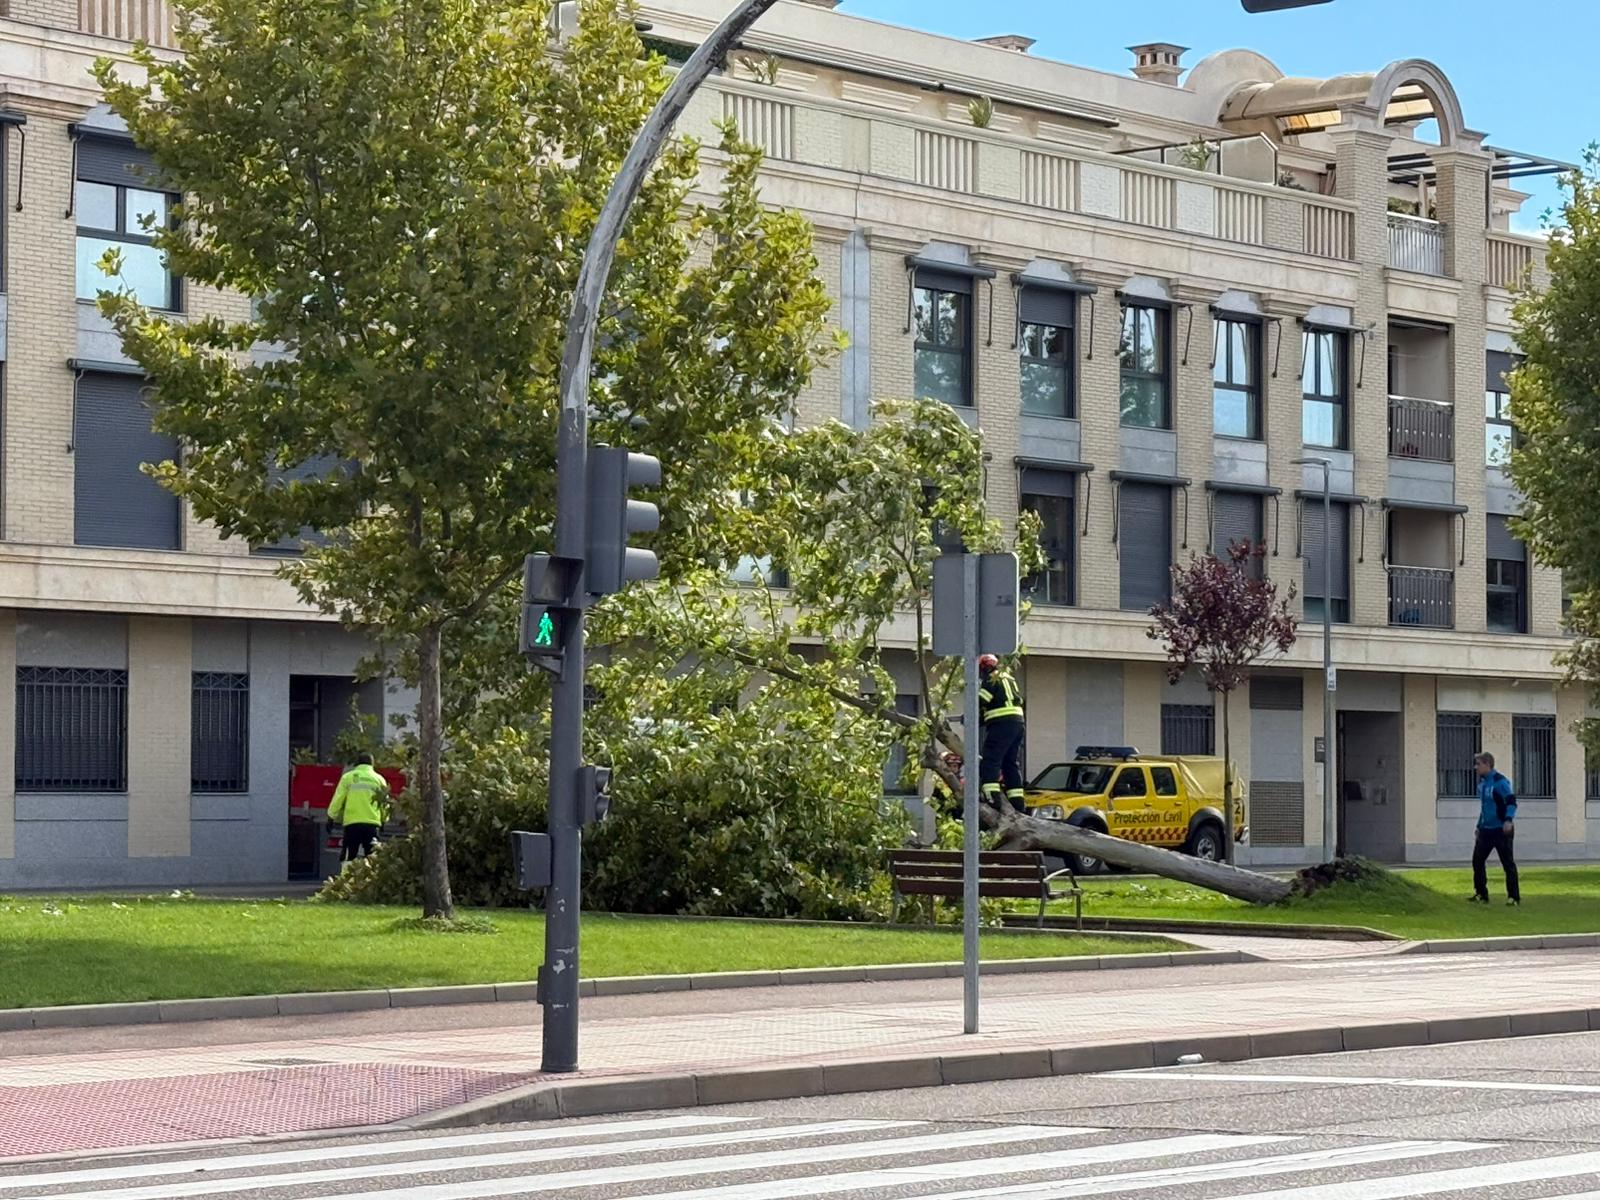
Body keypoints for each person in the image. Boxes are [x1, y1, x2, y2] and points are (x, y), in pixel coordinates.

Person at [1469, 750, 1520, 906]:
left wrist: (1508, 820)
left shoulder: (1500, 782)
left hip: (1501, 829)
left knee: (1507, 863)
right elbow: (1485, 807)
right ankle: (1481, 894)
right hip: (1486, 829)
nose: (1475, 768)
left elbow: (1511, 802)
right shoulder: (1482, 785)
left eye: (1478, 764)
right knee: (1477, 861)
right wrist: (1479, 825)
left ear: (1487, 764)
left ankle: (1513, 897)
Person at [976, 653, 1026, 812]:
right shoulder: (1009, 678)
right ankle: (1017, 802)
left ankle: (992, 797)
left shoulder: (991, 679)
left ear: (984, 668)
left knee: (991, 760)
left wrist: (971, 718)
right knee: (1010, 763)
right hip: (1017, 723)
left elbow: (980, 701)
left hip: (1001, 724)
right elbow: (1005, 701)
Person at [329, 752, 392, 864]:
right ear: (372, 764)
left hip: (352, 824)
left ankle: (347, 880)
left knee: (349, 857)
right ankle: (370, 880)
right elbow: (384, 802)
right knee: (372, 859)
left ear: (357, 763)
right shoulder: (379, 779)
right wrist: (384, 820)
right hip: (372, 824)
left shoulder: (348, 778)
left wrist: (331, 817)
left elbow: (338, 799)